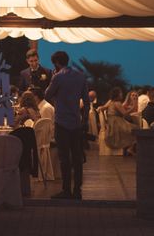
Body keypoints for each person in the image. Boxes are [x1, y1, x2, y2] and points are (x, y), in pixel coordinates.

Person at [45, 51, 89, 200]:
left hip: (62, 122)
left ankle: (66, 190)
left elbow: (47, 95)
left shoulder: (58, 77)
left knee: (64, 158)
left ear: (57, 63)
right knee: (77, 158)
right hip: (76, 122)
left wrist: (57, 104)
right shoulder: (81, 76)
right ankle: (77, 190)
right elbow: (87, 102)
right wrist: (85, 120)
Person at [100, 87, 137, 154]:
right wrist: (133, 106)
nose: (122, 95)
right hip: (116, 123)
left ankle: (128, 148)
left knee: (132, 127)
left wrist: (105, 119)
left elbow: (102, 109)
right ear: (117, 95)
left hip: (111, 122)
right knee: (136, 129)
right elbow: (125, 114)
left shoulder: (110, 101)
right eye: (121, 93)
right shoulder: (117, 103)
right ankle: (130, 148)